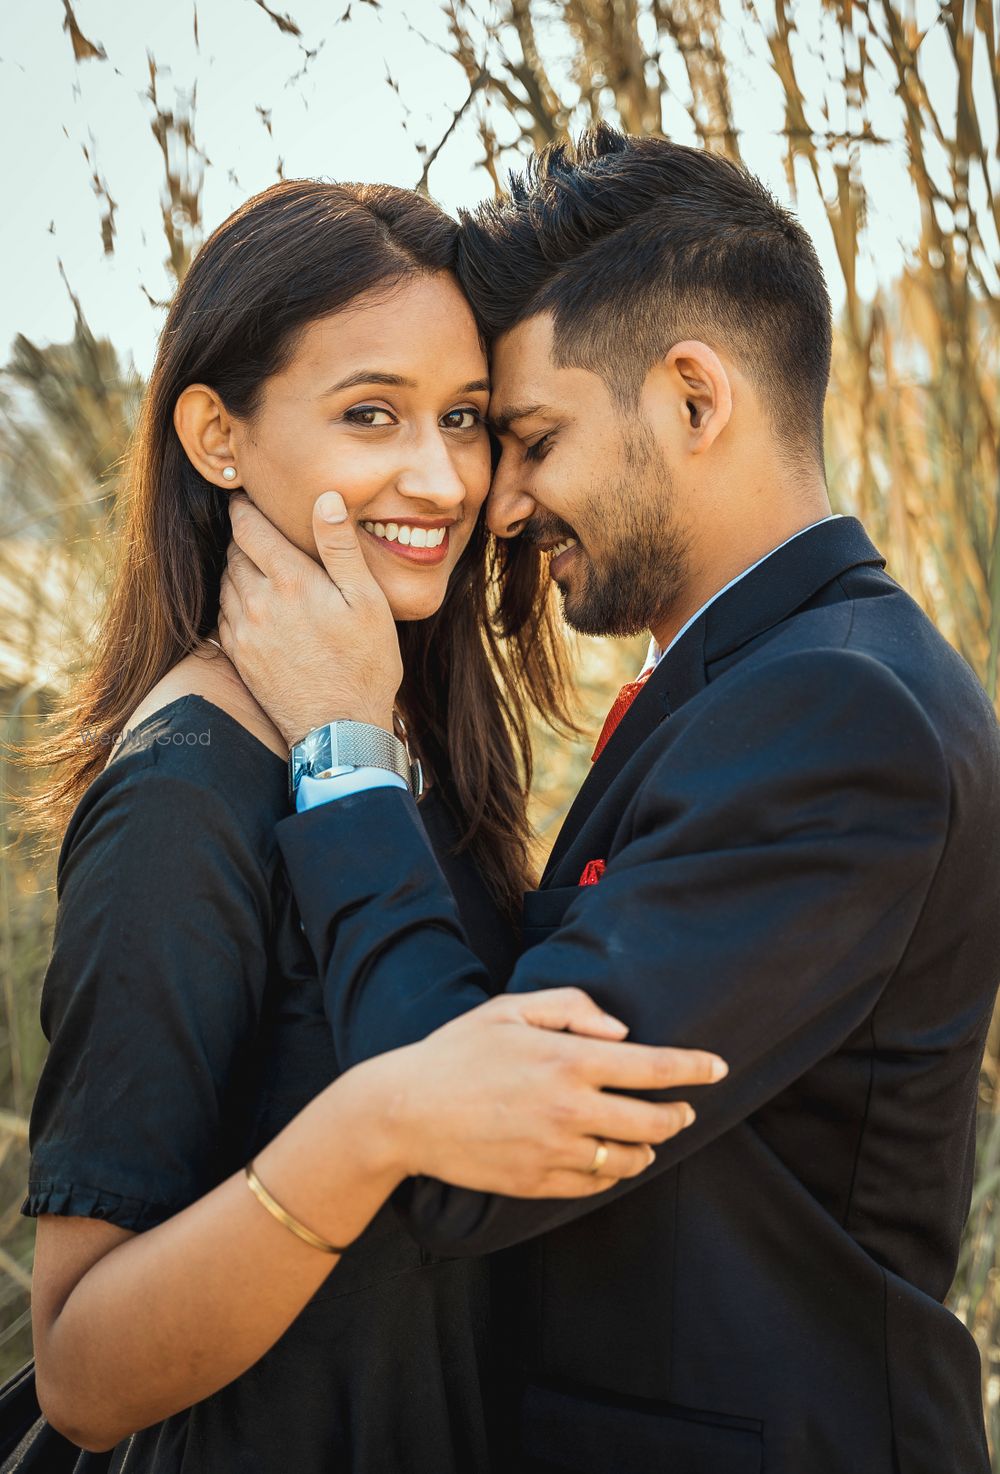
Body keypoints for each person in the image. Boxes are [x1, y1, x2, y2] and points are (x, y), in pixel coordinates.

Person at [219, 128, 1000, 1473]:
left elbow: (476, 1150)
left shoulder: (838, 719)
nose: (499, 501)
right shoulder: (769, 681)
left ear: (695, 398)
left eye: (533, 437)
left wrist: (345, 754)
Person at [13, 176, 725, 1473]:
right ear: (217, 435)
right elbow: (80, 1367)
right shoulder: (182, 796)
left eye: (464, 417)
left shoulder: (389, 722)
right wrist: (372, 1126)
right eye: (371, 413)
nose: (442, 474)